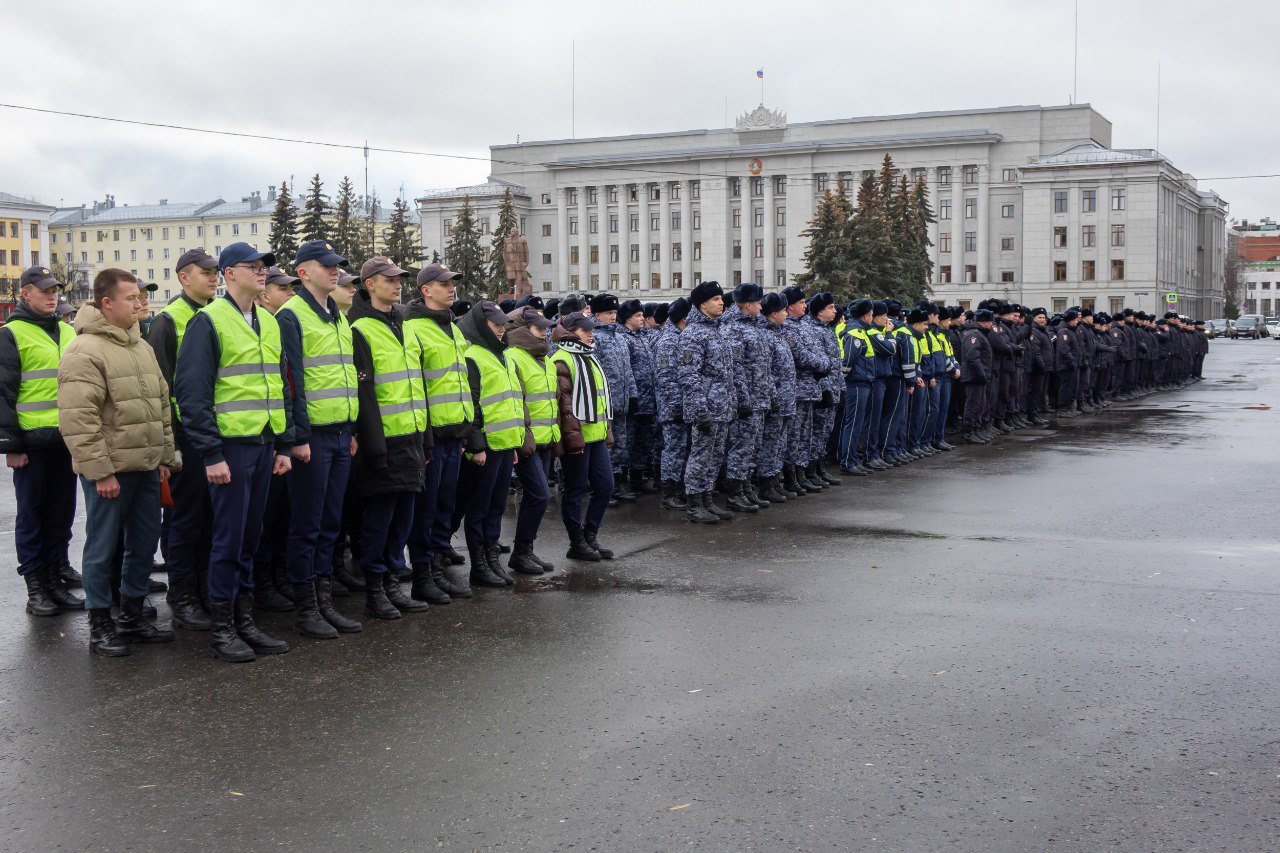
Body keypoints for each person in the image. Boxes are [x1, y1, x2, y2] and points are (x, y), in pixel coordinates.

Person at [173, 242, 293, 663]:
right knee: (227, 538)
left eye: (265, 267)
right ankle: (223, 628)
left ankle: (244, 620)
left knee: (250, 535)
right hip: (230, 448)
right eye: (253, 266)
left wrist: (280, 443)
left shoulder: (268, 321)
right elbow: (191, 393)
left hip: (262, 445)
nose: (262, 272)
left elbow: (278, 387)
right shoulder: (208, 322)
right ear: (228, 274)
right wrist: (210, 453)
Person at [57, 268, 178, 656]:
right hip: (109, 473)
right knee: (103, 548)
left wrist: (164, 457)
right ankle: (100, 625)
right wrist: (101, 472)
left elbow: (161, 404)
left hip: (145, 467)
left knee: (142, 545)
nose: (141, 303)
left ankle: (130, 617)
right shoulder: (84, 350)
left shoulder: (139, 345)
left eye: (141, 297)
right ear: (106, 303)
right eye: (132, 298)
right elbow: (79, 419)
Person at [276, 240, 362, 639]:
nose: (335, 271)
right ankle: (306, 607)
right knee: (306, 524)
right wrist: (298, 436)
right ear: (304, 272)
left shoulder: (337, 315)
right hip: (312, 438)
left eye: (337, 266)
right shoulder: (291, 315)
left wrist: (352, 429)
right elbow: (290, 381)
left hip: (341, 433)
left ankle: (324, 600)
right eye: (326, 265)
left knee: (330, 522)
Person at [348, 257, 432, 619]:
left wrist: (426, 439)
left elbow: (419, 384)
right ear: (369, 284)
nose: (398, 285)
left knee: (403, 518)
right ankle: (375, 590)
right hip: (383, 442)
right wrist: (374, 445)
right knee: (378, 520)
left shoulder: (406, 325)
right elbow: (364, 393)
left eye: (399, 279)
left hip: (412, 438)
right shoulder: (359, 328)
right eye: (389, 280)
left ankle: (394, 583)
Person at [0, 266, 83, 616]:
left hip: (67, 439)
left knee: (61, 514)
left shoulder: (66, 331)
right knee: (32, 517)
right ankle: (36, 587)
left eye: (55, 290)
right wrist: (12, 444)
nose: (53, 296)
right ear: (25, 294)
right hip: (32, 443)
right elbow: (3, 391)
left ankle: (55, 579)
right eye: (45, 290)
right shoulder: (10, 334)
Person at [147, 248, 219, 630]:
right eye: (204, 272)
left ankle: (206, 589)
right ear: (183, 277)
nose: (213, 278)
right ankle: (183, 594)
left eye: (215, 272)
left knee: (210, 516)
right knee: (184, 519)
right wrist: (168, 444)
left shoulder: (213, 316)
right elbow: (162, 387)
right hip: (183, 436)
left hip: (211, 431)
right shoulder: (168, 321)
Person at [404, 264, 475, 599]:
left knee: (445, 504)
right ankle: (423, 575)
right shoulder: (414, 328)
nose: (451, 289)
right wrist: (425, 438)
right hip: (431, 435)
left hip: (453, 434)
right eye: (443, 284)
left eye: (453, 284)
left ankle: (437, 566)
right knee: (427, 508)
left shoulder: (453, 328)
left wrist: (464, 432)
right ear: (425, 290)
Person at [453, 301, 527, 588]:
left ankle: (491, 556)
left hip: (505, 444)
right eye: (494, 325)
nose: (500, 329)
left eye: (502, 325)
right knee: (479, 509)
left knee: (496, 508)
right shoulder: (473, 356)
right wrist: (476, 446)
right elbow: (471, 404)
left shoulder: (504, 355)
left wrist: (516, 443)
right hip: (486, 447)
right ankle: (479, 564)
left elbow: (512, 402)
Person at [549, 311, 616, 558]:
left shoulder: (589, 357)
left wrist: (607, 432)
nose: (590, 334)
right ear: (571, 332)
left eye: (591, 330)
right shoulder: (562, 359)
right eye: (585, 330)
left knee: (605, 486)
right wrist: (573, 439)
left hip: (595, 435)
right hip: (576, 438)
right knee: (575, 489)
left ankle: (590, 536)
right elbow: (564, 406)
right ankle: (576, 543)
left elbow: (600, 401)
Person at [504, 306, 559, 575]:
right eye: (539, 329)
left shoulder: (544, 358)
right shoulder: (513, 357)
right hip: (526, 441)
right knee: (539, 494)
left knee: (536, 497)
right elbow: (516, 403)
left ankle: (525, 550)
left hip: (545, 439)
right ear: (524, 330)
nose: (545, 333)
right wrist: (523, 438)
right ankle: (519, 552)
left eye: (546, 329)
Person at [677, 281, 736, 523]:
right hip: (706, 408)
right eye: (715, 299)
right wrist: (700, 409)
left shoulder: (718, 330)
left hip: (722, 406)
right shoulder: (693, 334)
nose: (721, 302)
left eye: (721, 298)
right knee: (700, 456)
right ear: (702, 305)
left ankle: (708, 500)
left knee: (715, 456)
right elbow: (689, 375)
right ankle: (694, 503)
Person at [721, 283, 772, 510]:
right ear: (748, 304)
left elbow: (763, 365)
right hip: (746, 400)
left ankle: (746, 487)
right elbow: (735, 367)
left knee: (752, 447)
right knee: (741, 447)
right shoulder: (734, 328)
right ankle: (734, 492)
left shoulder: (753, 326)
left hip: (759, 397)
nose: (761, 307)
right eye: (758, 303)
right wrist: (743, 399)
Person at [589, 294, 638, 504]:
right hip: (605, 403)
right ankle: (601, 487)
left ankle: (617, 483)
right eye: (608, 313)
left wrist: (633, 395)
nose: (612, 316)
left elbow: (628, 370)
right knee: (605, 448)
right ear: (597, 314)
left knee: (621, 446)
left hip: (622, 402)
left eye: (615, 313)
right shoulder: (594, 338)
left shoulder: (620, 338)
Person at [756, 293, 796, 502]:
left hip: (786, 399)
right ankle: (766, 484)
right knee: (770, 443)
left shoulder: (778, 333)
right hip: (775, 399)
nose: (786, 314)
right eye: (783, 311)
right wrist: (773, 396)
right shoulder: (765, 336)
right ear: (772, 315)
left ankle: (774, 482)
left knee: (779, 444)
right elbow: (767, 371)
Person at [619, 299, 659, 497]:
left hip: (648, 400)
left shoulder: (643, 336)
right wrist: (632, 396)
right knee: (626, 442)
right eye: (638, 316)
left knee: (643, 442)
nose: (642, 319)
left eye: (643, 315)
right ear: (628, 319)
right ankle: (621, 480)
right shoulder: (622, 338)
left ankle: (637, 477)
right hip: (633, 401)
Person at [653, 297, 691, 510]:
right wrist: (677, 405)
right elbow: (666, 377)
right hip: (673, 406)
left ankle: (679, 488)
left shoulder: (682, 336)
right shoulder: (669, 340)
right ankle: (669, 492)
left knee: (683, 448)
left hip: (683, 405)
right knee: (674, 449)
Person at [803, 293, 842, 486]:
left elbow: (834, 363)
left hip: (833, 388)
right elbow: (819, 366)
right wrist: (825, 389)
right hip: (821, 390)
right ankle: (810, 470)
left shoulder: (827, 330)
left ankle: (819, 467)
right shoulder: (813, 331)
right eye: (831, 308)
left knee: (825, 431)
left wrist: (839, 387)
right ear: (820, 311)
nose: (835, 311)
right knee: (816, 432)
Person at [837, 299, 877, 475]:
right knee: (853, 424)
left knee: (856, 424)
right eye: (871, 315)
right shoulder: (855, 333)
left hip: (862, 382)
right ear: (865, 315)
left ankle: (852, 459)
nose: (872, 318)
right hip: (856, 383)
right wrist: (843, 380)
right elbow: (848, 361)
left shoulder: (861, 331)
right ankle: (847, 462)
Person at [959, 309, 995, 443]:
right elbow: (972, 356)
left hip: (980, 376)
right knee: (973, 404)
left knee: (980, 403)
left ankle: (976, 429)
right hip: (974, 376)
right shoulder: (973, 335)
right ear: (984, 322)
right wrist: (981, 374)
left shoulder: (980, 333)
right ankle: (969, 432)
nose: (992, 324)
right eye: (990, 322)